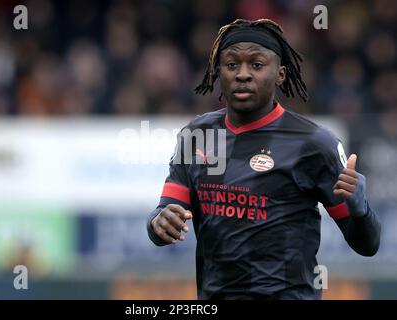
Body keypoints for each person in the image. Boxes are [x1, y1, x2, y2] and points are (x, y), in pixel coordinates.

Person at [146, 18, 380, 300]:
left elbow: (367, 244)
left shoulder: (314, 143)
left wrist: (360, 208)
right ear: (218, 72)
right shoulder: (198, 135)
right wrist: (158, 222)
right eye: (232, 65)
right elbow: (163, 218)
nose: (242, 74)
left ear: (280, 74)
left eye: (256, 65)